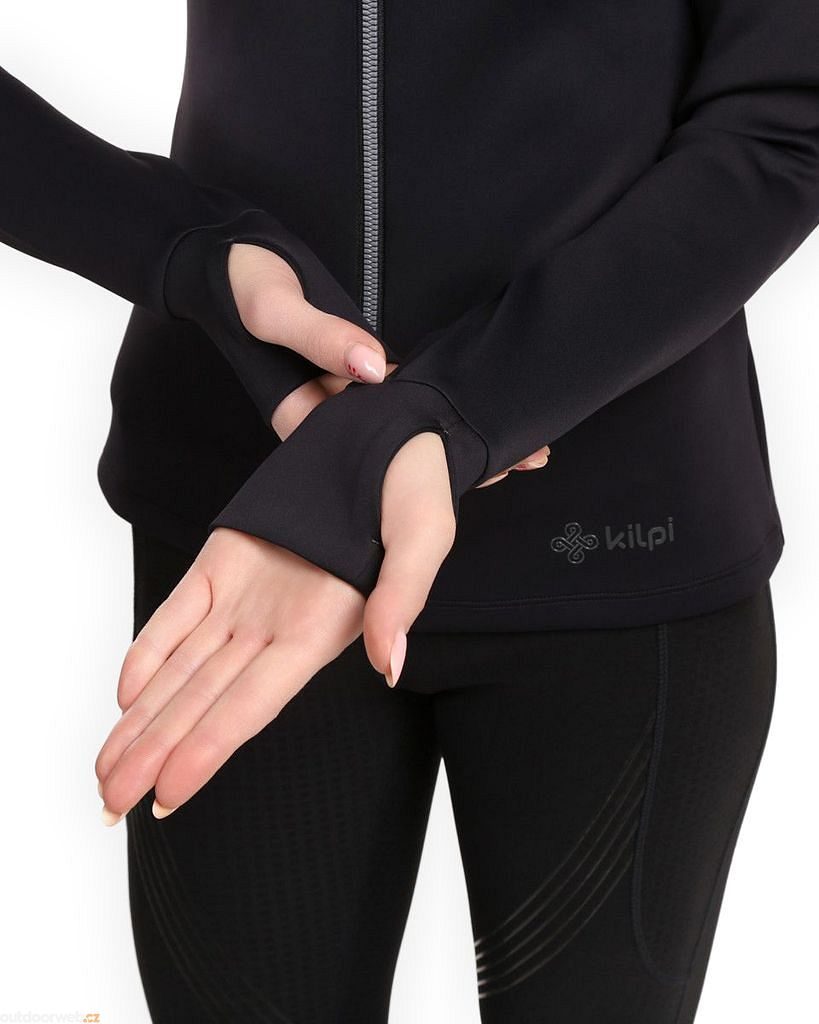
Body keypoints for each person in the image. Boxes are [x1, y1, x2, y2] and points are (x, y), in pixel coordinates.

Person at [2, 0, 815, 1018]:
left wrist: (467, 404)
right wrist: (187, 249)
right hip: (253, 532)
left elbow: (783, 114)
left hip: (609, 542)